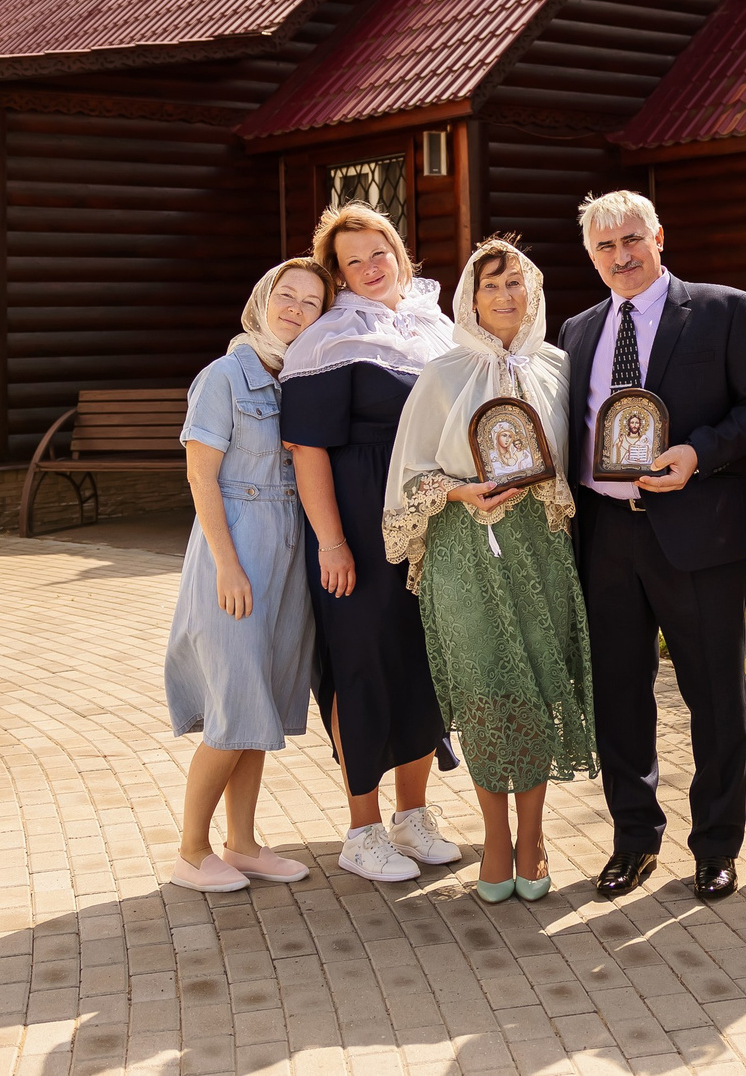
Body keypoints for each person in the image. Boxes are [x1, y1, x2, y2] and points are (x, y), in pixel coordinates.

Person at [560, 190, 746, 901]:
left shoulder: (720, 308)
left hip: (697, 531)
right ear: (590, 254)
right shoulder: (576, 331)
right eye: (604, 246)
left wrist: (699, 451)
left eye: (632, 239)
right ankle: (634, 840)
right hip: (605, 535)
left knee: (713, 698)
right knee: (620, 698)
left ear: (659, 234)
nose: (621, 256)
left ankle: (717, 846)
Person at [384, 238, 597, 901]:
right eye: (491, 286)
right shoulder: (442, 373)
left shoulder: (561, 367)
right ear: (470, 300)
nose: (506, 296)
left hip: (540, 544)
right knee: (484, 689)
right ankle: (494, 835)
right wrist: (459, 490)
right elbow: (410, 474)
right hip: (462, 547)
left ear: (532, 291)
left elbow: (586, 459)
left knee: (534, 682)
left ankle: (531, 837)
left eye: (516, 283)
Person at [282, 202, 462, 883]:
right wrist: (330, 541)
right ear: (338, 275)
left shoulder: (434, 328)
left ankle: (412, 818)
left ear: (398, 250)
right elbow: (307, 450)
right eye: (352, 261)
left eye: (378, 251)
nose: (370, 267)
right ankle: (361, 829)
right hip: (355, 523)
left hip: (431, 523)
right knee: (361, 666)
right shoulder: (328, 340)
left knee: (424, 663)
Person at [165, 256, 331, 892]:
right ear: (263, 299)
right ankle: (189, 850)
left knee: (260, 701)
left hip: (288, 555)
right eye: (284, 295)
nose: (293, 309)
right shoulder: (223, 376)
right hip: (235, 553)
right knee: (235, 705)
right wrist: (228, 567)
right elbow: (200, 476)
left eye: (310, 303)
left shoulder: (300, 378)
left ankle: (241, 843)